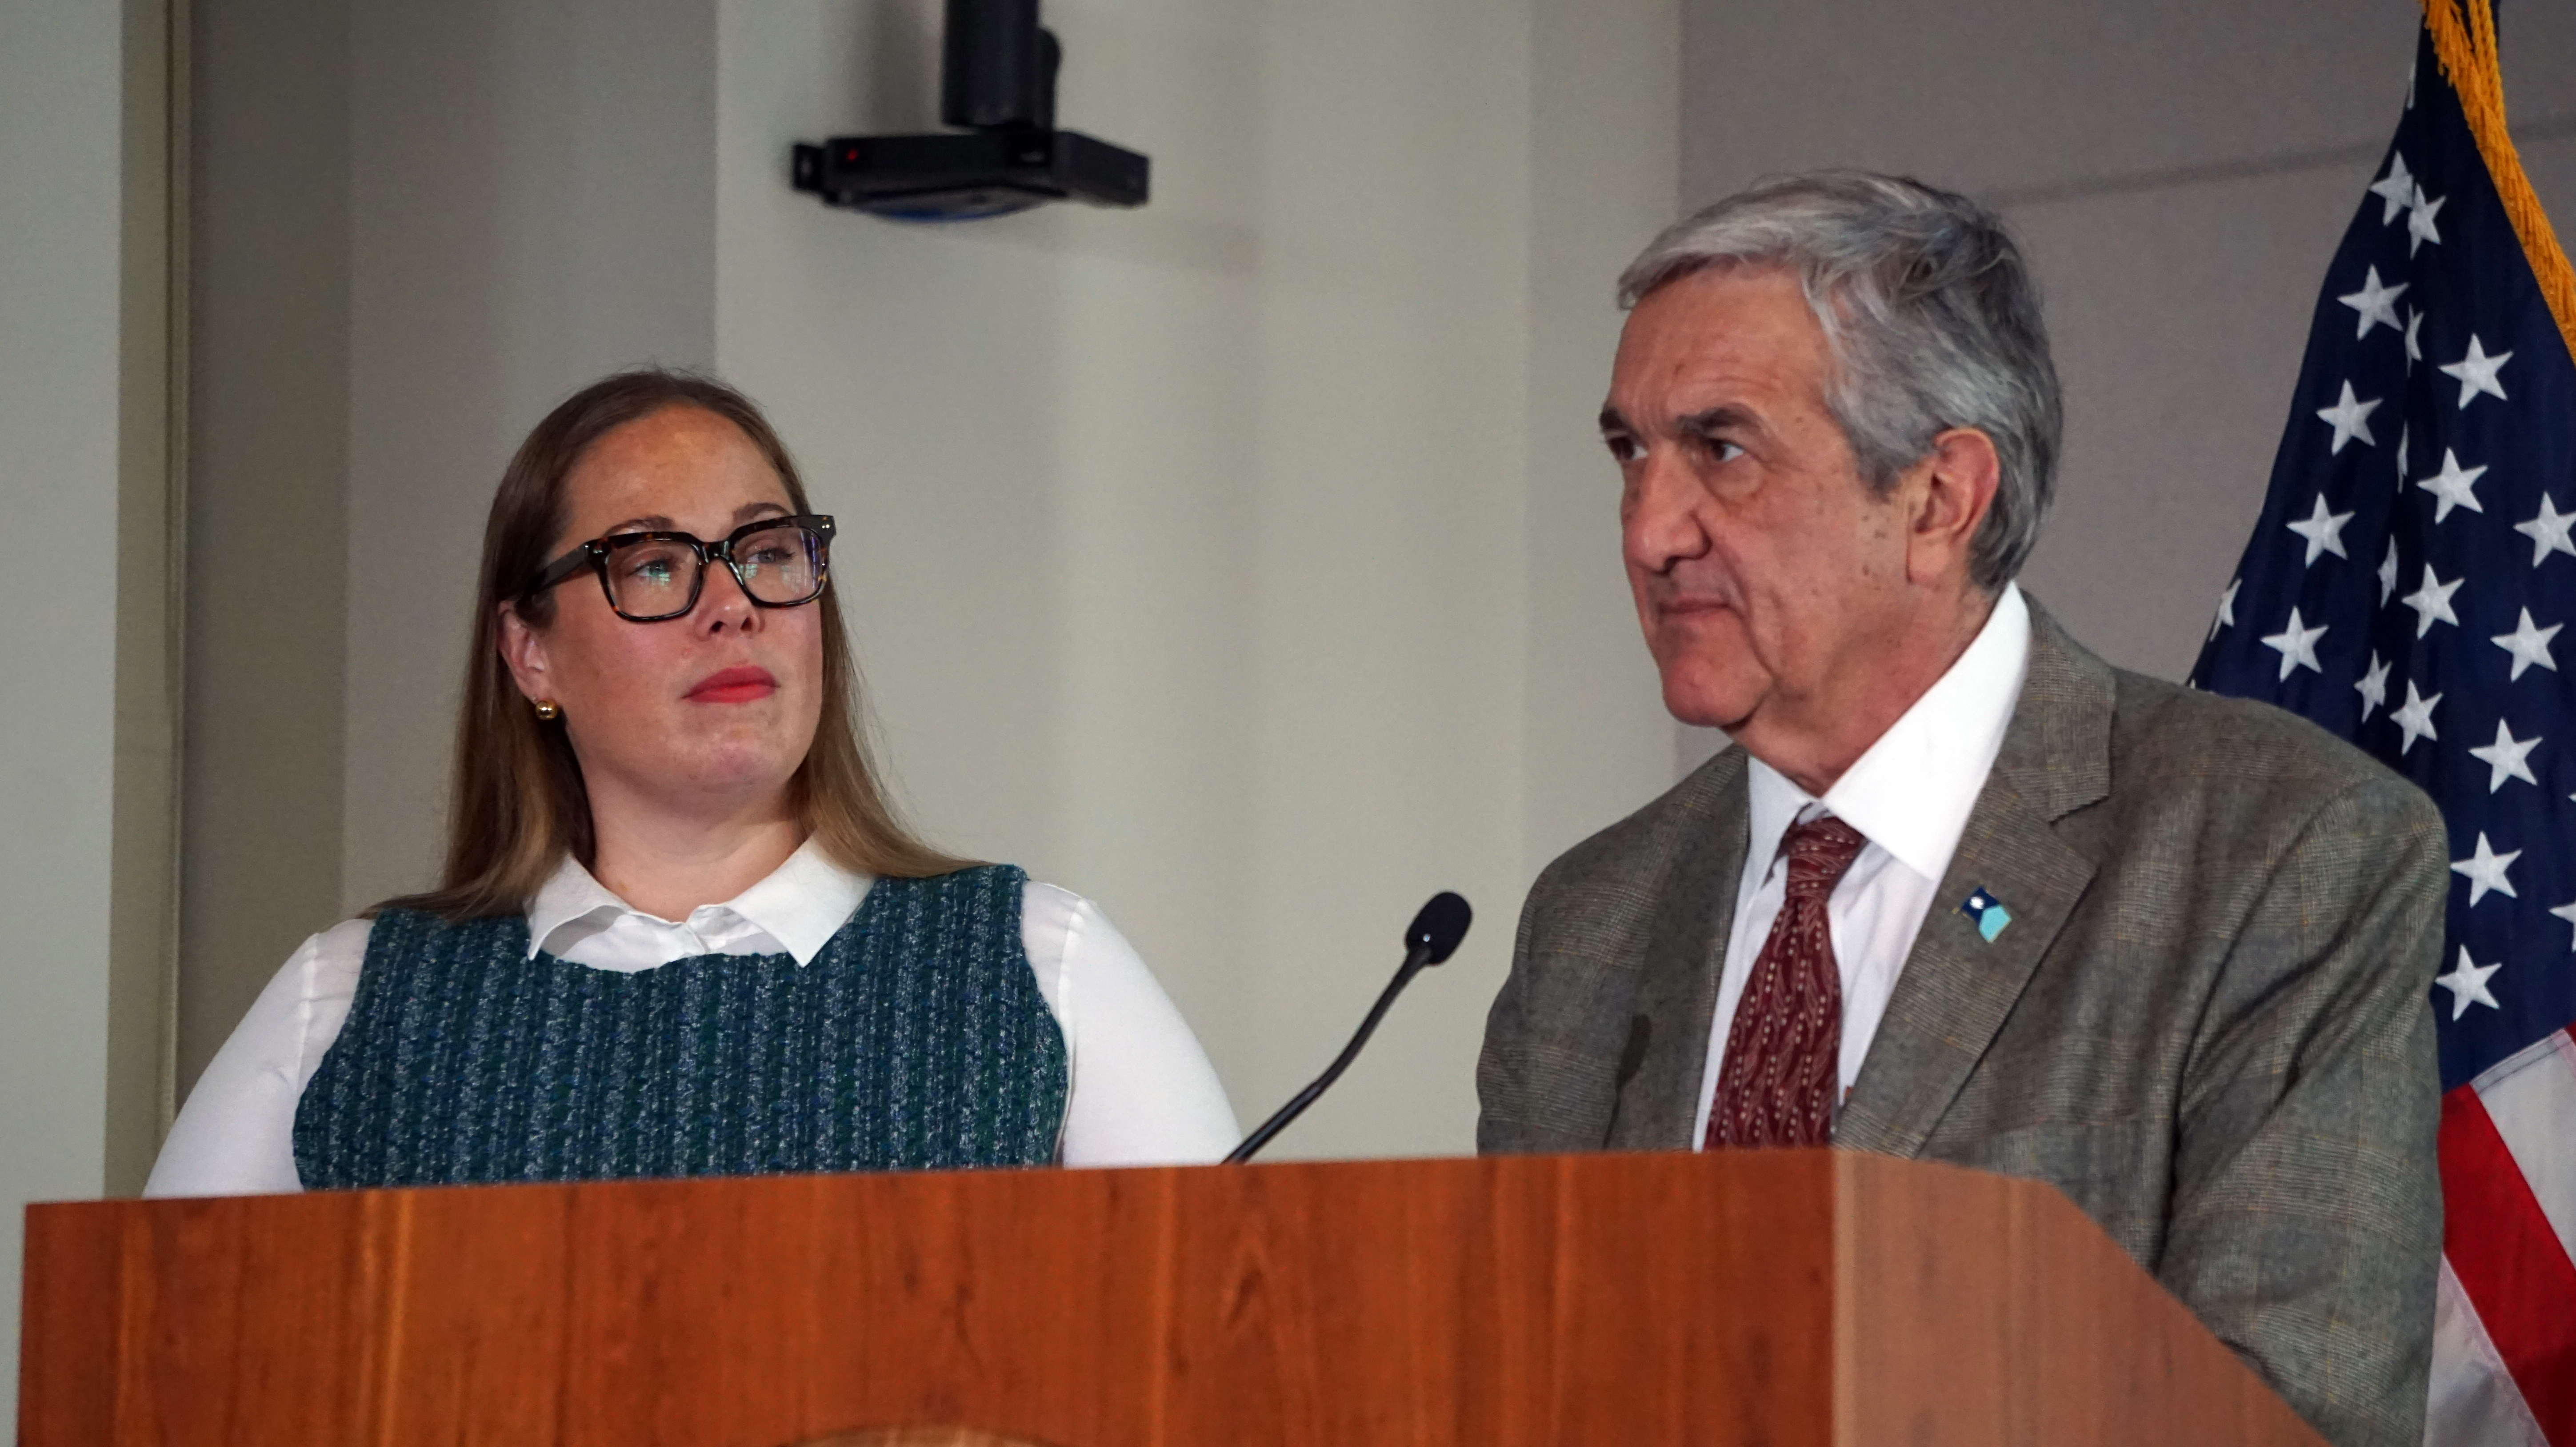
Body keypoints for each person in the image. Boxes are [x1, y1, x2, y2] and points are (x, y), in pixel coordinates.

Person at [1475, 172, 2442, 1445]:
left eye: (1721, 450)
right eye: (1629, 453)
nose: (1650, 530)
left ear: (1939, 500)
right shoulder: (1593, 917)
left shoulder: (2279, 852)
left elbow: (2285, 1416)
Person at [151, 369, 1236, 1193]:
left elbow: (1226, 1387)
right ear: (531, 652)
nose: (735, 607)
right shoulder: (350, 1004)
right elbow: (154, 1389)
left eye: (766, 551)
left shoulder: (1039, 967)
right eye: (656, 565)